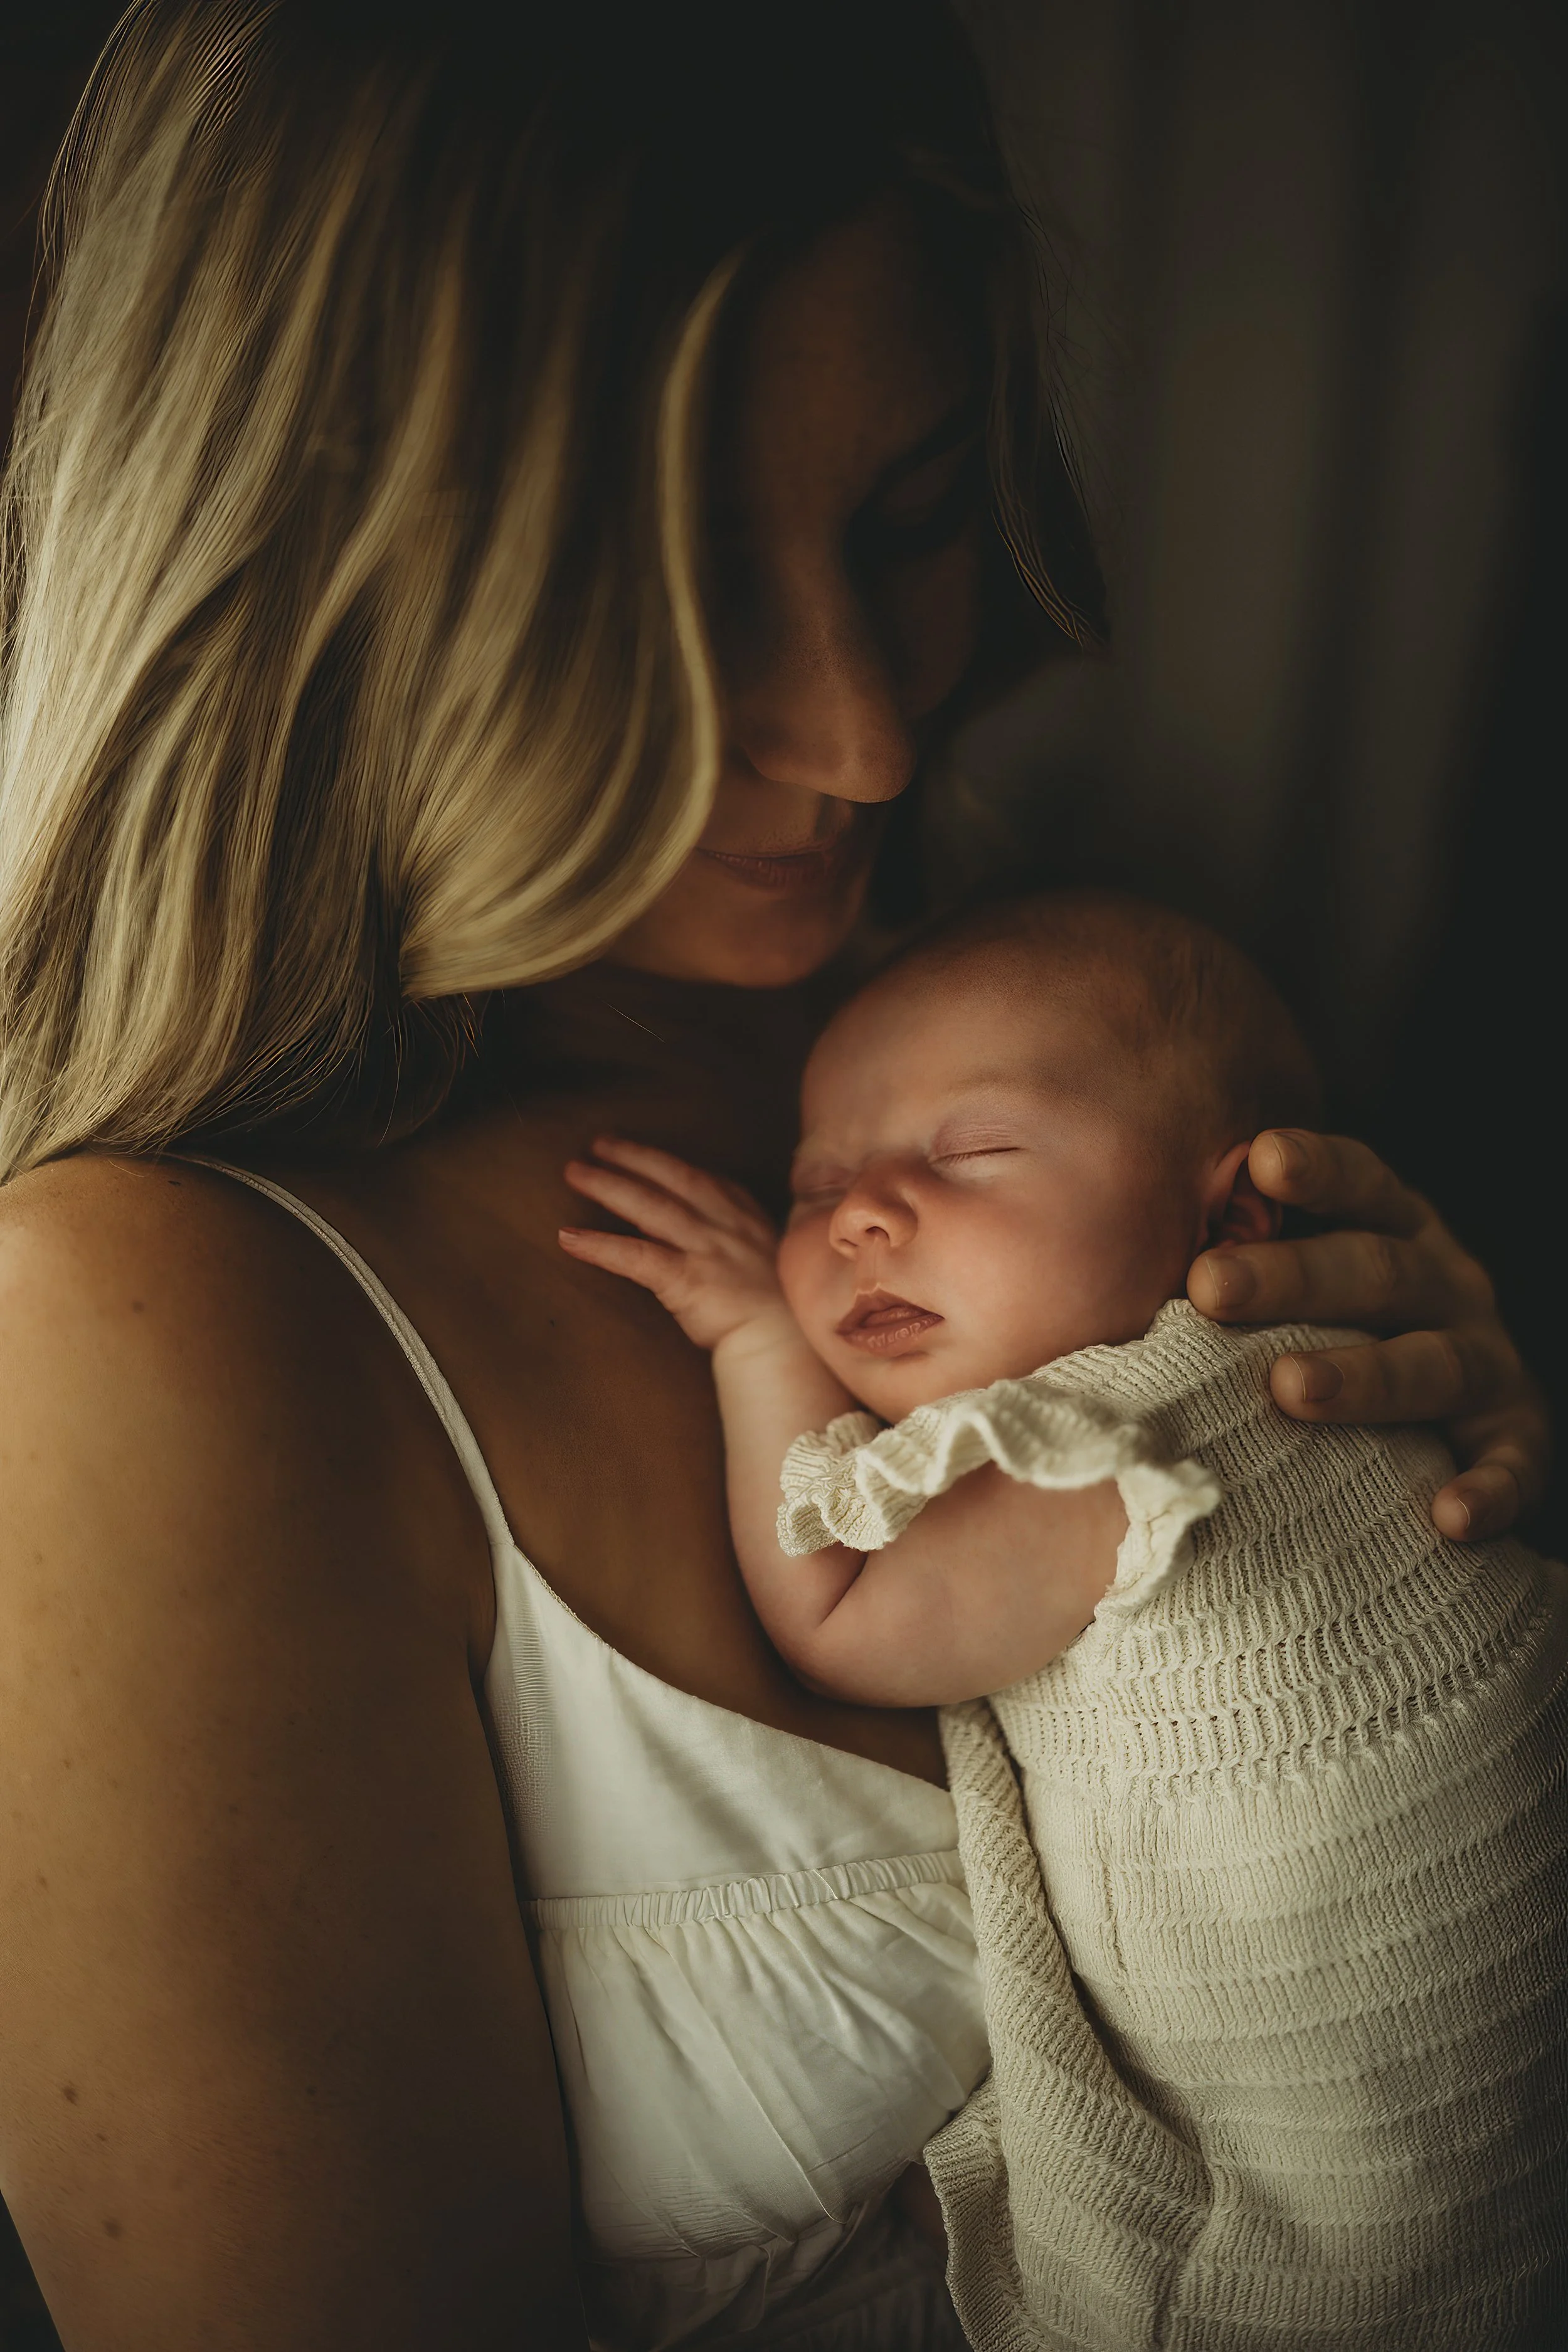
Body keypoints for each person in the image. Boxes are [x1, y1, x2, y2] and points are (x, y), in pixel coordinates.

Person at [0, 5, 1548, 2348]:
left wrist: (1432, 1518)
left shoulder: (1051, 1049)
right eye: (678, 591)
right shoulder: (135, 1333)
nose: (861, 729)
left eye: (911, 517)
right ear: (335, 588)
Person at [561, 888, 1568, 2345]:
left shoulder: (1128, 1442)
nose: (859, 1216)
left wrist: (750, 1336)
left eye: (971, 1153)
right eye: (808, 1183)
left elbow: (838, 1612)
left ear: (1233, 1217)